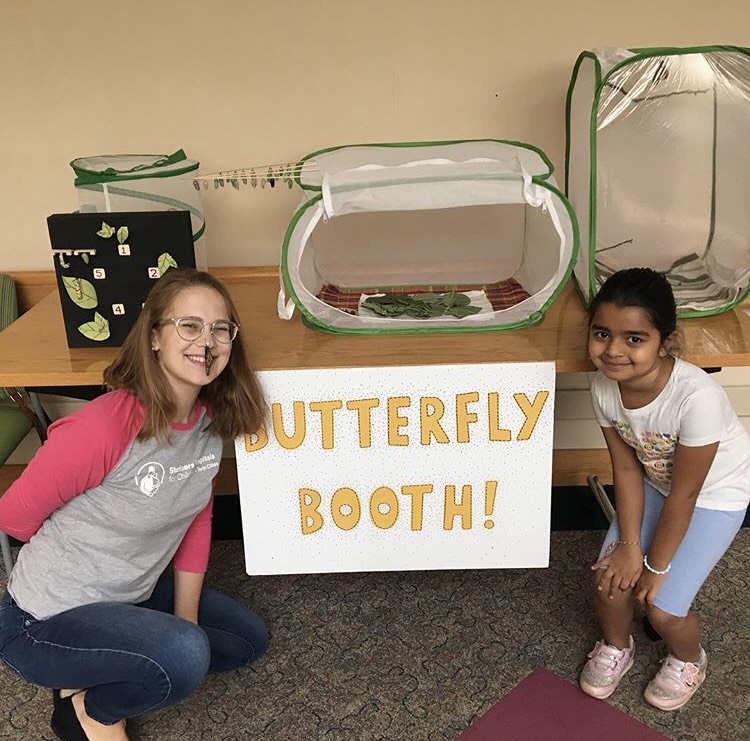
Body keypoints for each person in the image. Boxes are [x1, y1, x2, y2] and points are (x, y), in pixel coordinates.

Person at [0, 268, 269, 740]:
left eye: (220, 328)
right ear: (153, 338)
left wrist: (187, 622)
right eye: (189, 325)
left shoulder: (209, 424)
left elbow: (197, 520)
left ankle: (103, 659)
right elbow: (13, 518)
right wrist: (87, 555)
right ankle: (86, 708)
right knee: (184, 657)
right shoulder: (102, 428)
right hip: (42, 618)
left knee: (243, 642)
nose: (206, 341)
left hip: (134, 594)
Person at [577, 267, 750, 710]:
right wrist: (629, 545)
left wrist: (655, 566)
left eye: (634, 339)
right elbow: (628, 469)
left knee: (662, 608)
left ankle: (689, 658)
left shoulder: (698, 398)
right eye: (602, 334)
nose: (613, 351)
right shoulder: (603, 386)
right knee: (610, 583)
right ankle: (618, 646)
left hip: (713, 496)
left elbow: (686, 496)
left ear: (665, 343)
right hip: (655, 484)